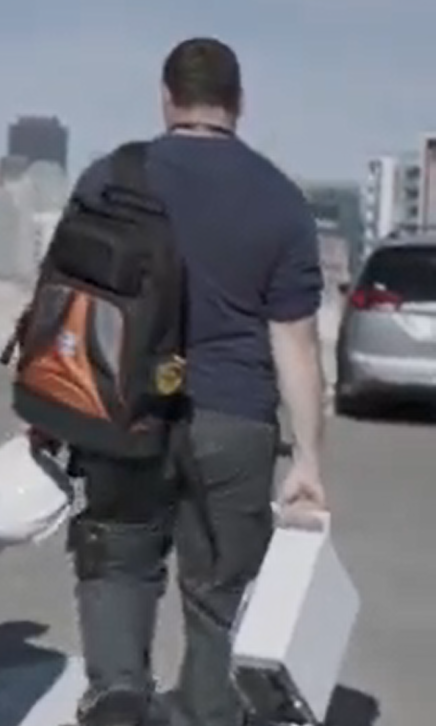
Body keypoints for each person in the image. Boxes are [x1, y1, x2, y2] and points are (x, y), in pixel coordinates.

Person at [61, 37, 329, 726]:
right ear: (238, 103)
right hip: (233, 422)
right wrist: (307, 460)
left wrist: (51, 417)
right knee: (220, 594)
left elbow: (67, 310)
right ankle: (209, 711)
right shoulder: (279, 199)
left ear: (166, 97)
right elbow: (296, 345)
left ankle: (118, 696)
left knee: (117, 563)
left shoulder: (110, 178)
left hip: (122, 414)